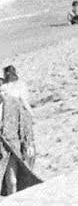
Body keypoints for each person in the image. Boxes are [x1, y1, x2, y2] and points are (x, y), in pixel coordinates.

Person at [0, 66, 38, 195]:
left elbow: (25, 121)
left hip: (13, 144)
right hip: (7, 145)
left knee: (13, 180)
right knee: (11, 180)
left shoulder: (15, 102)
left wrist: (28, 142)